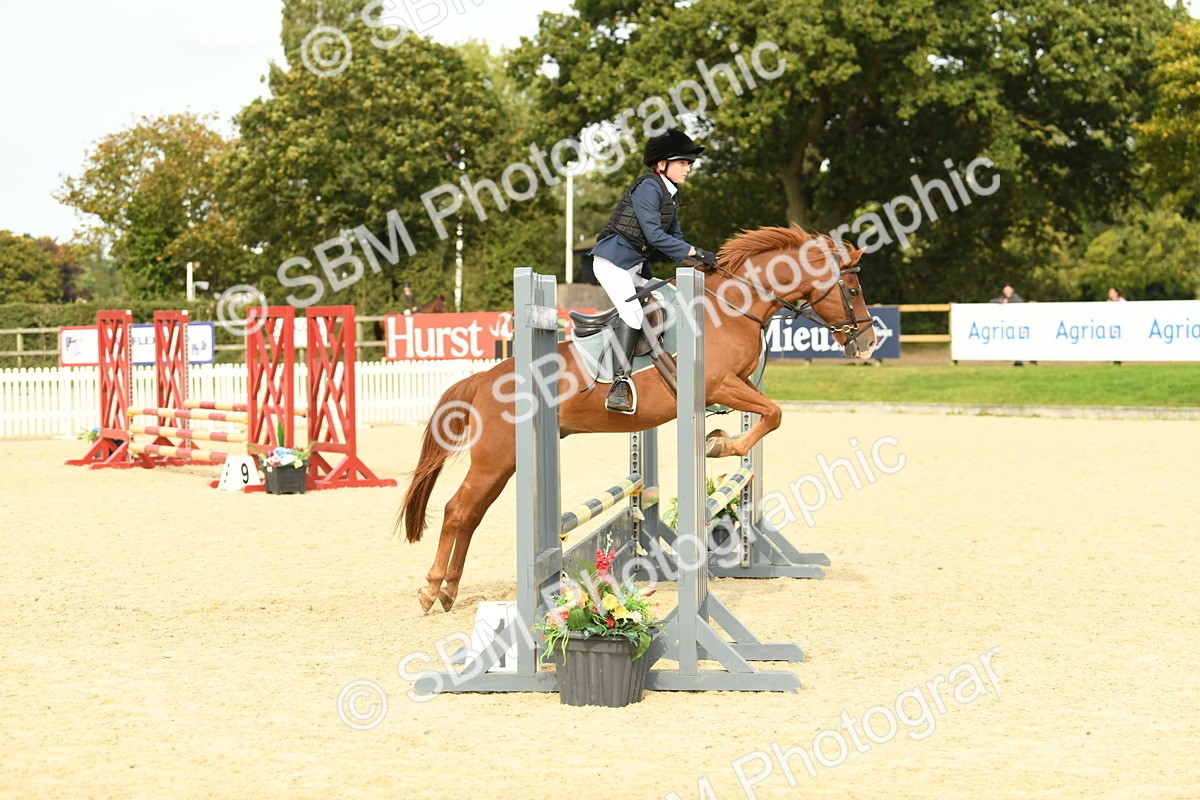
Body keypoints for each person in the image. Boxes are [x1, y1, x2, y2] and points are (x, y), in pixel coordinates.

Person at [587, 128, 717, 414]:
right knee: (632, 313)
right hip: (612, 263)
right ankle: (618, 385)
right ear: (662, 164)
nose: (688, 168)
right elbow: (655, 236)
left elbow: (677, 241)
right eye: (682, 162)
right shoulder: (648, 187)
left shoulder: (670, 196)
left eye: (688, 163)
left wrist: (708, 263)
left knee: (668, 298)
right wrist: (695, 252)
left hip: (632, 267)